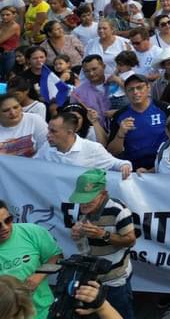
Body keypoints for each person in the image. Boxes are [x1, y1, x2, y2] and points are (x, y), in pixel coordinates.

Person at [65, 169, 138, 319]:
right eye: (81, 198)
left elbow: (131, 240)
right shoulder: (82, 209)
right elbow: (85, 243)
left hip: (115, 279)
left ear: (103, 194)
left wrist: (103, 235)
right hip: (93, 277)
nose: (84, 203)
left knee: (120, 314)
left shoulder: (118, 210)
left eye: (89, 198)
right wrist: (77, 234)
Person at [0, 199, 63, 319]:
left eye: (8, 220)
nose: (5, 227)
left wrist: (39, 275)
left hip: (44, 311)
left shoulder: (31, 231)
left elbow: (57, 257)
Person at [105, 75, 168, 171]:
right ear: (126, 92)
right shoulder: (119, 115)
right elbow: (111, 152)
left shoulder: (165, 109)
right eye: (131, 89)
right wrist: (120, 134)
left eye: (139, 87)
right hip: (133, 170)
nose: (135, 92)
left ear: (148, 88)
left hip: (163, 167)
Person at [41, 113, 132, 177]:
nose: (48, 135)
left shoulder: (93, 148)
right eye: (48, 130)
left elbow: (116, 164)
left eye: (53, 131)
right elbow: (34, 166)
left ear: (69, 132)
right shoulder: (46, 146)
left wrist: (125, 166)